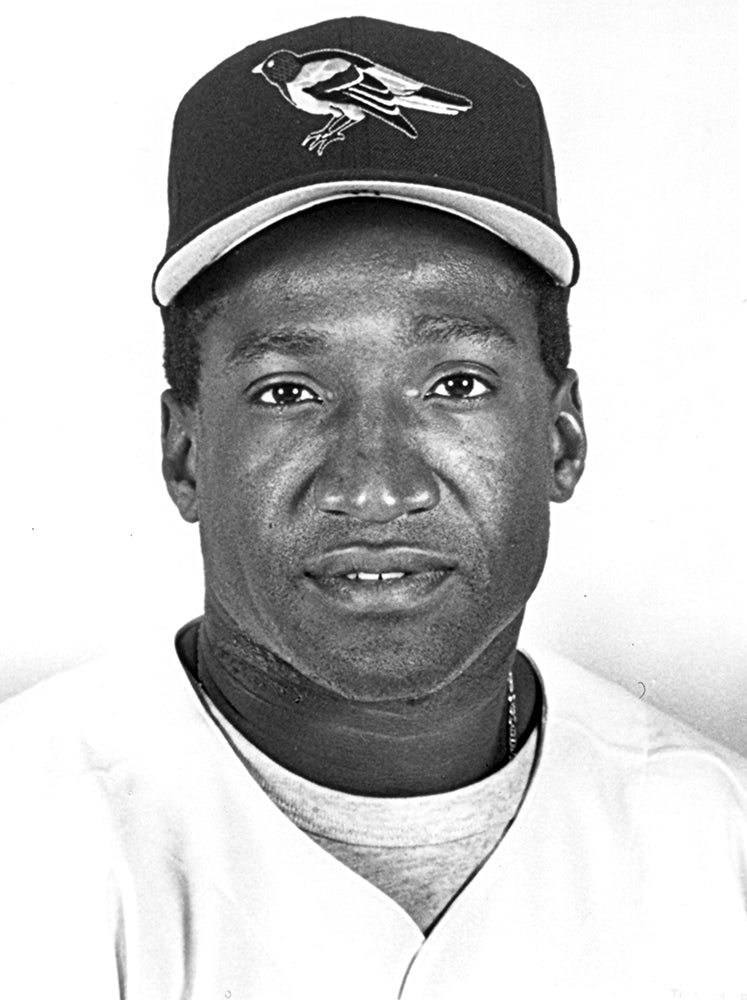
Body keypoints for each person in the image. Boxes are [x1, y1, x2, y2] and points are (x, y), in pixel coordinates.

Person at [1, 16, 745, 999]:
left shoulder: (717, 843)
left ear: (561, 437)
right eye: (287, 391)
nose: (377, 486)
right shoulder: (26, 827)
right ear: (184, 453)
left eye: (457, 384)